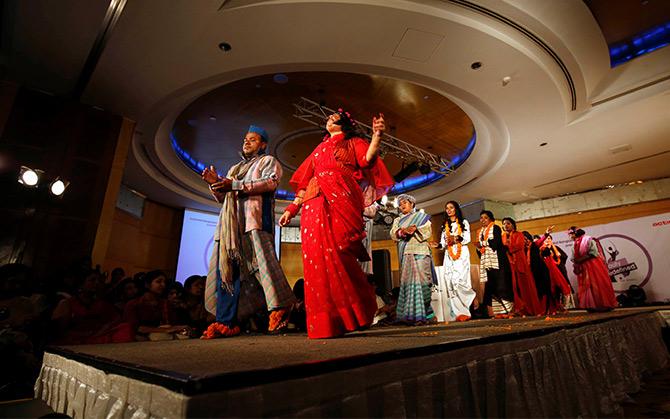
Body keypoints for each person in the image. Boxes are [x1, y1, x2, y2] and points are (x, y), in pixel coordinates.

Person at [279, 109, 394, 338]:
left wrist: (377, 136)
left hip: (341, 196)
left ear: (344, 123)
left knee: (340, 253)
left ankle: (356, 313)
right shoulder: (319, 149)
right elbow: (304, 181)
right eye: (327, 117)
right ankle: (325, 323)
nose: (328, 118)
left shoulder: (354, 142)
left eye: (333, 116)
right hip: (313, 201)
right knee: (315, 260)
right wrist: (293, 208)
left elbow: (367, 160)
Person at [201, 125, 295, 338]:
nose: (247, 142)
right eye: (245, 139)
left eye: (253, 139)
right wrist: (215, 184)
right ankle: (226, 322)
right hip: (231, 228)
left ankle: (280, 307)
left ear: (263, 144)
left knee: (262, 266)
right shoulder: (234, 168)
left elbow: (270, 183)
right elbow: (224, 199)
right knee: (228, 270)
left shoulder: (267, 161)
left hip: (255, 222)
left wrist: (233, 184)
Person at [390, 194, 437, 325]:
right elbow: (393, 233)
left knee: (425, 283)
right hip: (406, 253)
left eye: (405, 202)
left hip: (421, 251)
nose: (402, 205)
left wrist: (416, 228)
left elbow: (428, 231)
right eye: (400, 204)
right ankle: (414, 316)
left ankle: (427, 313)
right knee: (409, 285)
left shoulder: (422, 218)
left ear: (412, 204)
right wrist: (402, 231)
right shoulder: (397, 220)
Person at [431, 201, 475, 322]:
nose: (449, 210)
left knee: (460, 281)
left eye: (451, 207)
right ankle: (459, 313)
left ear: (456, 209)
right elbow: (443, 243)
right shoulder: (444, 226)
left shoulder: (463, 222)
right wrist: (438, 245)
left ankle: (467, 307)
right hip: (449, 254)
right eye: (447, 208)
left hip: (461, 254)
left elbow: (467, 239)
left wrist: (455, 238)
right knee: (450, 281)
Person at [123, 270, 191, 340]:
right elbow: (135, 328)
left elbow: (172, 324)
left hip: (163, 336)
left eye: (164, 282)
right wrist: (167, 330)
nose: (163, 285)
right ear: (147, 284)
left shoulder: (165, 303)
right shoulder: (133, 304)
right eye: (159, 282)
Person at [568, 226, 618, 311]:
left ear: (575, 233)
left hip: (594, 265)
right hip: (583, 267)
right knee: (587, 286)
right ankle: (591, 305)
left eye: (571, 234)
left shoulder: (588, 240)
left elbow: (593, 253)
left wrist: (580, 259)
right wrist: (576, 261)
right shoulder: (574, 244)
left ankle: (604, 304)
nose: (570, 236)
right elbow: (573, 257)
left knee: (598, 283)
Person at [501, 218, 543, 316]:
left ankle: (532, 309)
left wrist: (507, 247)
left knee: (526, 286)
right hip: (509, 264)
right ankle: (520, 309)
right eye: (504, 224)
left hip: (520, 263)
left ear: (513, 225)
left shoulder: (519, 234)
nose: (506, 225)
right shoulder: (503, 236)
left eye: (508, 223)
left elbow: (519, 246)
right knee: (515, 288)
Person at [476, 210, 514, 317]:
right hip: (487, 262)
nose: (483, 220)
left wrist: (483, 243)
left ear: (491, 219)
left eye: (485, 218)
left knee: (501, 286)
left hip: (498, 262)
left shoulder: (495, 228)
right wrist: (479, 248)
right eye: (481, 218)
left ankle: (508, 310)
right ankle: (496, 312)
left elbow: (496, 243)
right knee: (490, 287)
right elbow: (482, 248)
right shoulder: (481, 231)